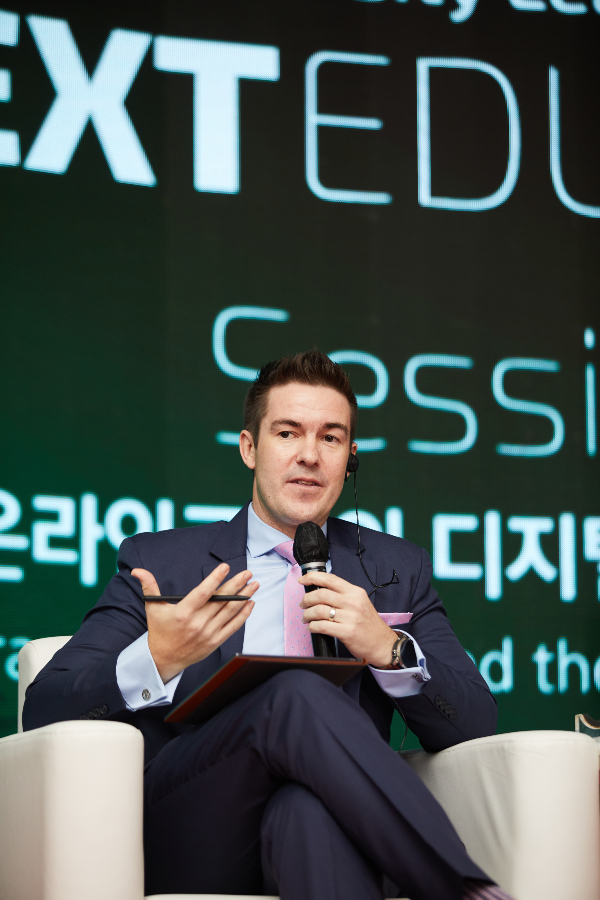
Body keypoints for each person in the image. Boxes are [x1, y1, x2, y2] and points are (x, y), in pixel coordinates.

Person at [23, 350, 510, 900]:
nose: (309, 455)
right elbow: (44, 709)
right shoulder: (162, 563)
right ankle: (460, 889)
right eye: (287, 433)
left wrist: (389, 648)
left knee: (307, 810)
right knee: (294, 692)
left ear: (350, 458)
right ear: (250, 448)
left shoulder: (398, 570)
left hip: (323, 821)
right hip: (193, 828)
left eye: (331, 438)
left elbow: (475, 724)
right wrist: (156, 660)